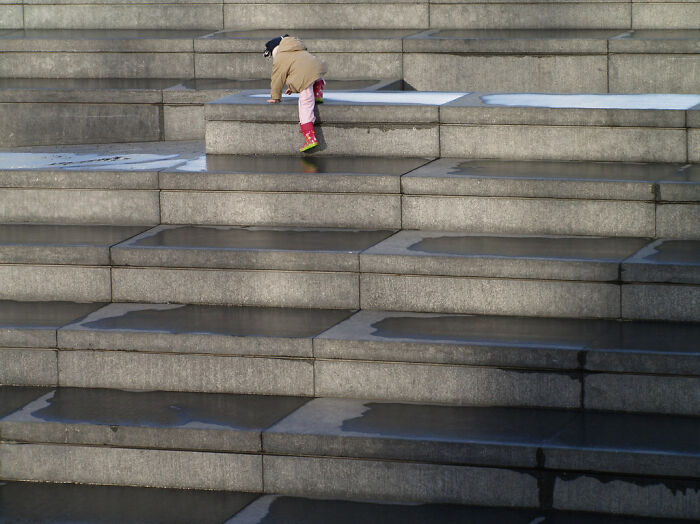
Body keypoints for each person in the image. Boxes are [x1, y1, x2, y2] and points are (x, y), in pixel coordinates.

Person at [264, 35, 327, 152]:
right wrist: (293, 87)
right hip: (317, 68)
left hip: (305, 77)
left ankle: (309, 137)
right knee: (312, 75)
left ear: (274, 50)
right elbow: (300, 68)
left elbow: (278, 78)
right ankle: (318, 90)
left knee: (305, 104)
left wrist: (275, 97)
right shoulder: (297, 47)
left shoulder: (280, 57)